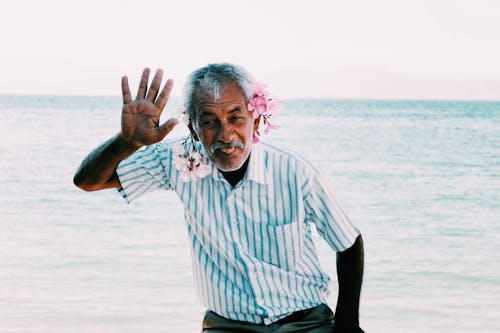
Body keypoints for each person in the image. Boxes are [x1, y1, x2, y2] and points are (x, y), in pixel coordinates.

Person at [74, 63, 365, 333]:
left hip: (307, 322)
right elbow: (88, 181)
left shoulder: (295, 171)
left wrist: (348, 325)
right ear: (193, 129)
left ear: (256, 118)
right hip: (227, 326)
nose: (226, 134)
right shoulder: (176, 161)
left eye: (236, 118)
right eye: (210, 121)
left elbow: (349, 244)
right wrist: (126, 143)